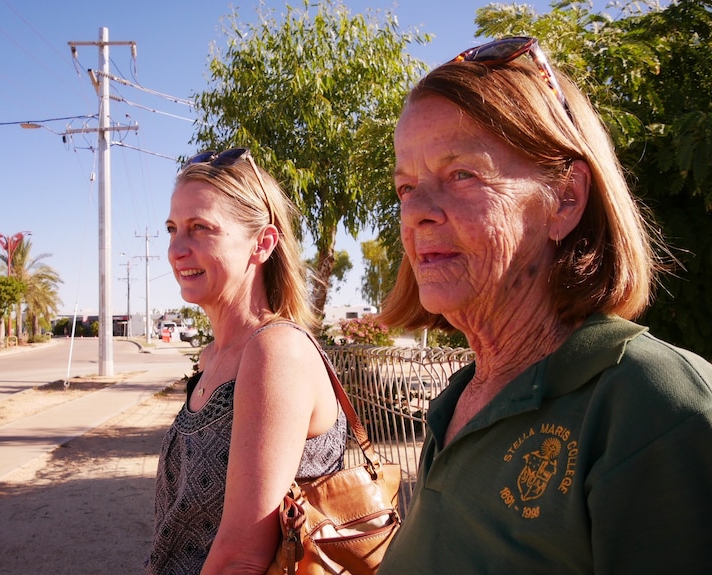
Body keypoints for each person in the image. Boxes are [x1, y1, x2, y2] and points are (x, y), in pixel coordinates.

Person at [377, 37, 712, 573]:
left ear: (565, 199)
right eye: (405, 186)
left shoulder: (655, 407)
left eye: (461, 174)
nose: (416, 211)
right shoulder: (460, 400)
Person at [144, 148, 346, 574]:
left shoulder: (276, 352)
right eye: (172, 228)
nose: (177, 249)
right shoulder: (213, 357)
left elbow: (242, 557)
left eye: (201, 228)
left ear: (263, 243)